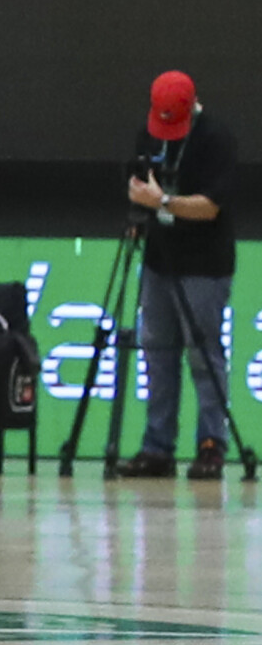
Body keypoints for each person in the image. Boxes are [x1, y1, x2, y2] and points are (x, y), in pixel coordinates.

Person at [117, 71, 239, 481]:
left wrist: (162, 201)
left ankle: (211, 444)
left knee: (203, 353)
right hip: (159, 260)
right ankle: (157, 447)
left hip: (204, 264)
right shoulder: (149, 134)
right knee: (156, 351)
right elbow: (136, 182)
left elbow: (210, 207)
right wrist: (139, 210)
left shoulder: (215, 138)